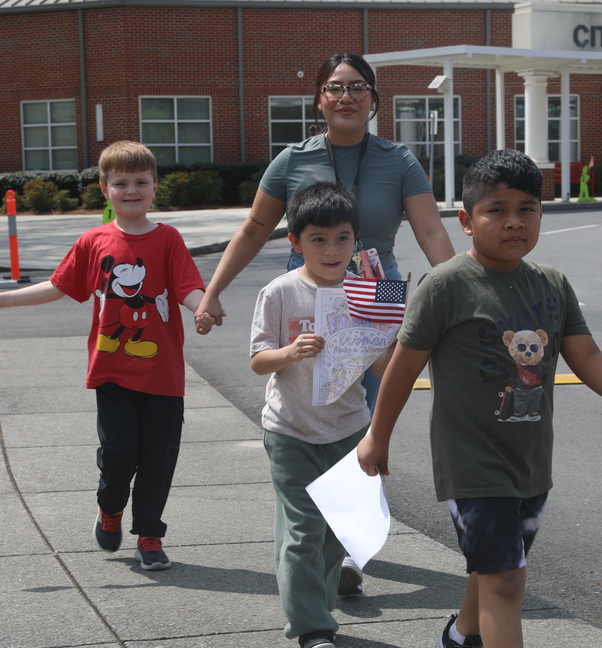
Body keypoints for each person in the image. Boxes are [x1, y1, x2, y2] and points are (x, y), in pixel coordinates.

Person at [356, 149, 602, 648]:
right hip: (470, 461)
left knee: (495, 565)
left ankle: (460, 638)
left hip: (528, 460)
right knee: (506, 581)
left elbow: (586, 356)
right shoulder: (447, 285)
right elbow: (403, 368)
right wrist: (376, 437)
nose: (513, 222)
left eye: (527, 209)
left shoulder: (550, 282)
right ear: (466, 220)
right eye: (496, 209)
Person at [195, 52, 456, 596]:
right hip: (307, 293)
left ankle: (349, 549)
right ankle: (310, 536)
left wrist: (458, 290)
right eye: (336, 88)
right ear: (319, 98)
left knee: (363, 417)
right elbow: (252, 229)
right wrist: (213, 290)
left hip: (377, 289)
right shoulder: (292, 160)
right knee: (309, 413)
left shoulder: (399, 159)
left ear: (374, 100)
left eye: (358, 88)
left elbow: (431, 232)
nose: (347, 97)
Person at [0, 140, 210, 571]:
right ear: (105, 189)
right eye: (121, 183)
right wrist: (2, 299)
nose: (131, 190)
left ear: (155, 186)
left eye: (141, 181)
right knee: (119, 453)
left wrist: (203, 307)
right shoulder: (94, 241)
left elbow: (187, 286)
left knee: (158, 458)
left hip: (163, 374)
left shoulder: (168, 240)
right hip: (112, 371)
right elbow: (59, 287)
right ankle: (110, 506)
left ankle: (150, 536)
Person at [250, 182, 393, 648]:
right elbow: (257, 360)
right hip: (289, 429)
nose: (331, 250)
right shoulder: (280, 292)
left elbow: (381, 370)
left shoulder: (365, 295)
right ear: (295, 242)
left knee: (339, 531)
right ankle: (312, 629)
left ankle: (320, 603)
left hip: (348, 429)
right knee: (302, 529)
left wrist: (388, 332)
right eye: (318, 239)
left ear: (356, 241)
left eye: (342, 238)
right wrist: (290, 352)